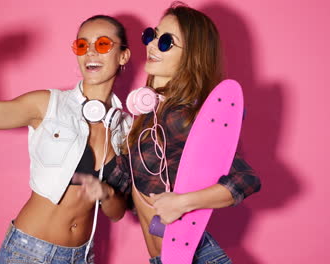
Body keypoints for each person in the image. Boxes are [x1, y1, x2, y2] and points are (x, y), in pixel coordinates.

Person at [80, 3, 262, 263]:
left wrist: (183, 203)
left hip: (194, 256)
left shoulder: (185, 115)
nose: (152, 45)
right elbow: (132, 189)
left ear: (192, 55)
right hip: (164, 258)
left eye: (166, 42)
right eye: (151, 35)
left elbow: (246, 178)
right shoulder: (149, 115)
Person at [0, 15, 132, 264]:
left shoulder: (125, 128)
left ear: (123, 56)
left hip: (83, 256)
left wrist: (106, 193)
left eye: (103, 45)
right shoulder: (47, 104)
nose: (91, 53)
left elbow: (118, 213)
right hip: (30, 252)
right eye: (83, 45)